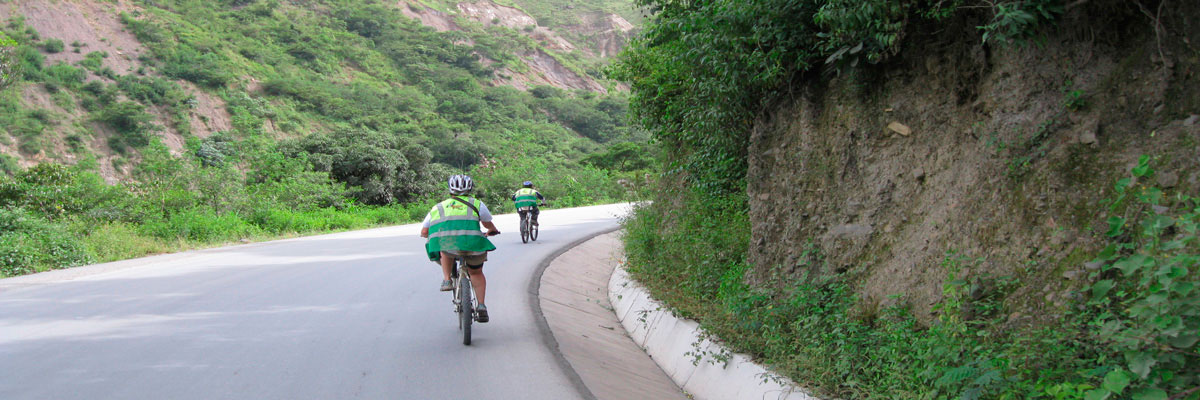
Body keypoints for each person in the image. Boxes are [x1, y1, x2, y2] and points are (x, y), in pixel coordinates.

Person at [421, 174, 500, 323]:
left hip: (449, 247)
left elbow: (424, 232)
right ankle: (481, 306)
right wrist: (493, 231)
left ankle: (446, 280)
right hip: (474, 245)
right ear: (470, 189)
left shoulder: (439, 207)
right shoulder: (477, 204)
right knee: (476, 272)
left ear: (450, 189)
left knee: (445, 248)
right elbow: (488, 224)